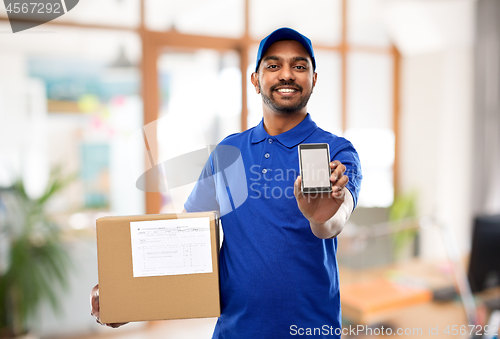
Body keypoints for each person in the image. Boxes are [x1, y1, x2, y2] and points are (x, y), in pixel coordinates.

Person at [91, 27, 362, 338]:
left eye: (299, 66)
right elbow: (187, 241)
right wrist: (128, 298)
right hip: (235, 331)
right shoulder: (228, 153)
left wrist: (319, 216)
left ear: (314, 79)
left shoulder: (338, 152)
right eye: (273, 66)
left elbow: (333, 223)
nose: (287, 74)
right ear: (256, 80)